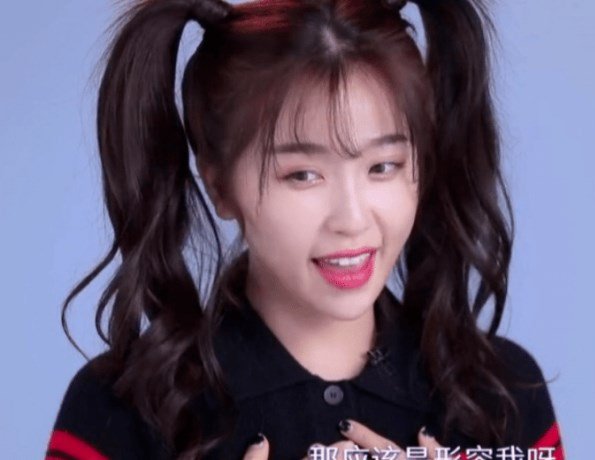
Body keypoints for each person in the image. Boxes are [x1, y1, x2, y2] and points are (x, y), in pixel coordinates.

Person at [46, 0, 565, 459]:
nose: (352, 219)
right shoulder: (121, 410)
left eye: (382, 166)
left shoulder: (502, 395)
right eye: (302, 175)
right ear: (220, 184)